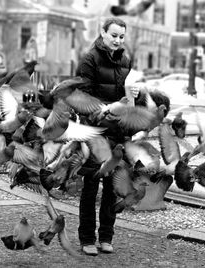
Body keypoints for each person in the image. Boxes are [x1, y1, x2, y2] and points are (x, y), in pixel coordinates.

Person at [75, 17, 140, 256]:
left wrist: (134, 95)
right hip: (96, 133)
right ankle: (86, 239)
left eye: (121, 36)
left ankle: (106, 237)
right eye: (113, 35)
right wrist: (111, 108)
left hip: (118, 133)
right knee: (91, 187)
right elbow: (84, 101)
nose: (117, 40)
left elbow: (126, 99)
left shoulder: (125, 60)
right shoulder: (89, 60)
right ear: (102, 33)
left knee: (112, 188)